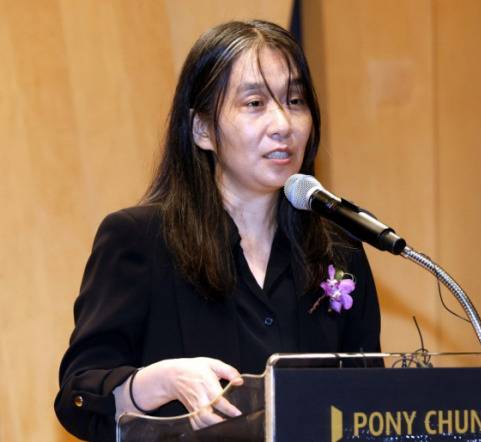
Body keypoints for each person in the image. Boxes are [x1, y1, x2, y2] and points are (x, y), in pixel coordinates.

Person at [54, 20, 381, 442]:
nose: (283, 123)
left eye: (295, 100)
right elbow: (77, 397)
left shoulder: (339, 248)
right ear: (203, 130)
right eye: (255, 103)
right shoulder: (139, 240)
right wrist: (159, 382)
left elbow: (370, 404)